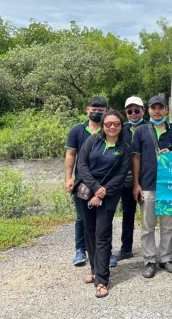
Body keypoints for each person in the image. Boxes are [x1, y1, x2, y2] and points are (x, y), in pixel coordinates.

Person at [78, 110, 131, 298]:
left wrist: (103, 191)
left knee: (102, 234)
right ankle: (94, 270)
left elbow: (121, 174)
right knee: (89, 231)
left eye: (116, 123)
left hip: (109, 194)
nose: (112, 127)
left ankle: (102, 279)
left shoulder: (124, 148)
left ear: (121, 125)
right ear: (103, 124)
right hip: (88, 191)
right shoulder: (92, 141)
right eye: (108, 123)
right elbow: (81, 165)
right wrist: (95, 188)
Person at [132, 95, 172, 278]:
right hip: (147, 184)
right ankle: (149, 260)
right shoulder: (141, 131)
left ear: (166, 110)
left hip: (169, 186)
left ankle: (167, 258)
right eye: (154, 108)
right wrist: (136, 184)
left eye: (161, 107)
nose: (157, 111)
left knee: (168, 224)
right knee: (148, 225)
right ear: (148, 110)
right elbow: (136, 158)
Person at [64, 96, 108, 266]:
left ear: (106, 111)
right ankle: (80, 249)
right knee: (82, 217)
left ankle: (104, 250)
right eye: (94, 110)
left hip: (103, 182)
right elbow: (70, 155)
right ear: (87, 110)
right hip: (81, 182)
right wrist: (68, 178)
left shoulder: (110, 130)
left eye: (101, 111)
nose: (97, 113)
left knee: (102, 218)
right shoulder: (77, 130)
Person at [114, 96, 146, 261]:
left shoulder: (150, 128)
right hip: (126, 180)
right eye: (130, 111)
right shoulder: (121, 129)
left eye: (137, 110)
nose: (133, 114)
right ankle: (126, 249)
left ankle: (155, 252)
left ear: (143, 111)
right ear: (125, 113)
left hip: (147, 180)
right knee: (128, 214)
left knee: (151, 217)